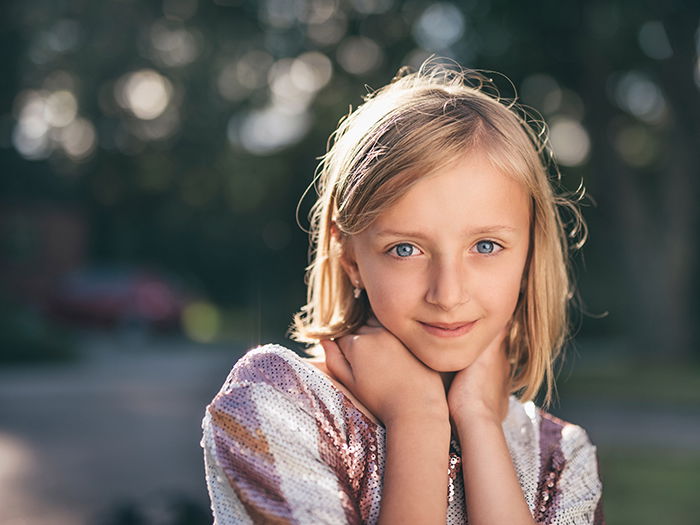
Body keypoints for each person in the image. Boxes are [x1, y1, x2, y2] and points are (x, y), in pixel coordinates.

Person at [200, 58, 605, 524]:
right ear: (350, 258)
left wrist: (477, 420)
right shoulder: (276, 405)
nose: (448, 294)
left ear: (531, 253)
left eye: (486, 245)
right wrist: (417, 420)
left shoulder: (562, 456)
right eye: (406, 249)